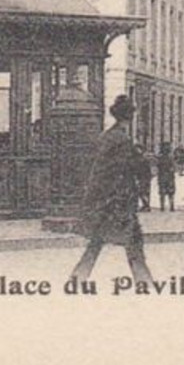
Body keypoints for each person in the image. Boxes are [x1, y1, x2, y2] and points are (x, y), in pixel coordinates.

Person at [71, 94, 156, 285]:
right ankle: (145, 283)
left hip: (104, 201)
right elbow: (128, 167)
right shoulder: (122, 140)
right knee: (134, 244)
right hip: (119, 202)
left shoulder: (107, 136)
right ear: (130, 117)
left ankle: (77, 278)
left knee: (97, 243)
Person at [131, 143, 153, 212]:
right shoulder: (138, 159)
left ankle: (146, 205)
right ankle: (145, 205)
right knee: (142, 192)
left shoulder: (141, 159)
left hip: (143, 177)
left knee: (142, 191)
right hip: (141, 177)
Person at [155, 142, 177, 212]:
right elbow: (173, 167)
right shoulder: (170, 158)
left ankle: (163, 206)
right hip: (168, 176)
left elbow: (157, 166)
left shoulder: (160, 158)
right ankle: (171, 206)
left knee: (163, 192)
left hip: (163, 176)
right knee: (169, 192)